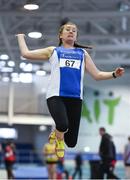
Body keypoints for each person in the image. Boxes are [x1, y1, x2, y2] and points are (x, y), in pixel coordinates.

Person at [16, 22, 125, 159]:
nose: (71, 32)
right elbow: (26, 54)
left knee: (72, 142)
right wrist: (20, 37)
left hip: (75, 99)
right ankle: (59, 140)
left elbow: (97, 75)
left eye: (74, 30)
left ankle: (58, 133)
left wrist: (114, 74)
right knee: (62, 124)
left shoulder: (82, 53)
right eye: (68, 29)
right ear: (61, 35)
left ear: (76, 36)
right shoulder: (53, 51)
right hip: (56, 96)